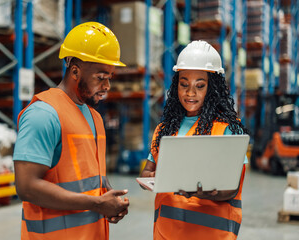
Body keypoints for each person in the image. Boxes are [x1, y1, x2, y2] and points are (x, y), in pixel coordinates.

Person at [13, 22, 129, 240]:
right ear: (75, 70)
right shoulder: (43, 114)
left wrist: (110, 200)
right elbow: (26, 186)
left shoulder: (95, 118)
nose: (107, 87)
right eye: (100, 77)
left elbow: (89, 179)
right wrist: (97, 204)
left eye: (110, 78)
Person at [139, 40, 249, 240]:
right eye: (184, 85)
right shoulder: (164, 129)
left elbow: (231, 189)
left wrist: (200, 193)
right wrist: (153, 180)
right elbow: (148, 170)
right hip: (167, 233)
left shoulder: (227, 130)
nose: (190, 93)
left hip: (213, 235)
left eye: (200, 86)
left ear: (212, 88)